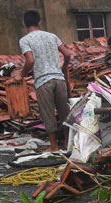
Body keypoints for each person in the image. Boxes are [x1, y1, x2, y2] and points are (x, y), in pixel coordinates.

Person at [13, 10, 72, 152]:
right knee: (64, 112)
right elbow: (67, 54)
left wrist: (21, 75)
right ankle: (67, 143)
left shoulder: (25, 40)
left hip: (43, 82)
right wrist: (63, 67)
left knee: (48, 113)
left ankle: (53, 146)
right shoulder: (52, 36)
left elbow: (30, 60)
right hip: (59, 79)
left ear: (24, 23)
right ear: (39, 22)